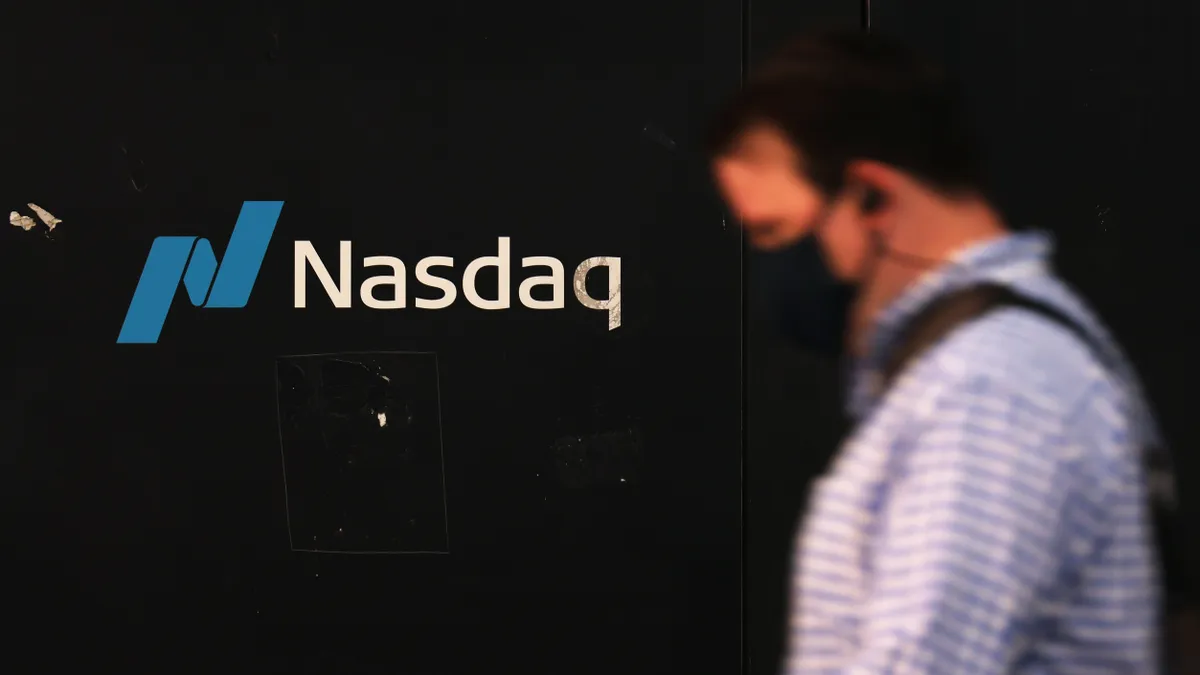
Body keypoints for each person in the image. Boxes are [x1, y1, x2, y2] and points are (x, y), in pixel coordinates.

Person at [708, 30, 1182, 673]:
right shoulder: (1004, 358)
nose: (770, 265)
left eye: (776, 231)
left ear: (872, 197)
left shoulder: (985, 387)